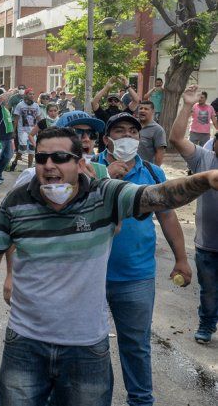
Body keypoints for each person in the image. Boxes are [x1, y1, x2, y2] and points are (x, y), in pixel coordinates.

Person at [0, 126, 218, 405]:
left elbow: (159, 196)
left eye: (60, 157)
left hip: (86, 348)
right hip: (25, 342)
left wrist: (206, 178)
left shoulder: (105, 196)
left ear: (80, 163)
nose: (48, 165)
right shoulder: (16, 201)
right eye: (41, 158)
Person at [97, 112, 191, 406]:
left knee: (136, 345)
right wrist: (107, 176)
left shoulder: (152, 173)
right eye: (120, 131)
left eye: (133, 132)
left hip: (136, 275)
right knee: (91, 346)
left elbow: (168, 217)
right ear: (107, 139)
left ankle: (140, 401)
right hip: (90, 275)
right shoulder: (88, 169)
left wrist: (181, 258)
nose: (127, 136)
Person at [169, 84, 218, 344]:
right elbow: (177, 139)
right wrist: (187, 105)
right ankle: (207, 324)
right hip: (207, 245)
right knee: (209, 291)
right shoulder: (204, 159)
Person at [92, 76, 139, 152]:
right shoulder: (103, 114)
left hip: (121, 151)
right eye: (110, 100)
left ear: (119, 102)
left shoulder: (123, 114)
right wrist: (106, 87)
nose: (113, 102)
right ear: (108, 102)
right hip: (104, 150)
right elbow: (94, 102)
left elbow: (136, 101)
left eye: (116, 100)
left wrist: (127, 86)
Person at [10, 88, 43, 171]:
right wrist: (13, 131)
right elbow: (16, 119)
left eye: (33, 94)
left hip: (33, 131)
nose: (32, 95)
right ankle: (15, 161)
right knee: (23, 148)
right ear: (26, 95)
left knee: (32, 150)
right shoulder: (20, 105)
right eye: (30, 94)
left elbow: (39, 118)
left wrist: (42, 129)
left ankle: (29, 168)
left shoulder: (36, 105)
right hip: (23, 131)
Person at [136, 100, 167, 165]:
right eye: (140, 108)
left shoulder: (158, 130)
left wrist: (155, 169)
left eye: (146, 109)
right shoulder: (132, 125)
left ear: (153, 112)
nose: (142, 110)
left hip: (145, 168)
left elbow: (160, 153)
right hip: (128, 167)